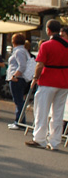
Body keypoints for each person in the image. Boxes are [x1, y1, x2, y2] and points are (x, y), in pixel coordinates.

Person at [25, 20, 68, 150]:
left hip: (48, 80)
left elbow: (40, 64)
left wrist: (35, 78)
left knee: (42, 111)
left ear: (48, 30)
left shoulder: (46, 45)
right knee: (58, 113)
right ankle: (54, 142)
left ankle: (39, 139)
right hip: (64, 81)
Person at [6, 33, 30, 130]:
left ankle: (19, 121)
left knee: (18, 100)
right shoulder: (21, 50)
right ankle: (19, 121)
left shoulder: (19, 51)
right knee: (18, 100)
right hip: (19, 78)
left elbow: (22, 66)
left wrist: (15, 75)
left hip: (18, 79)